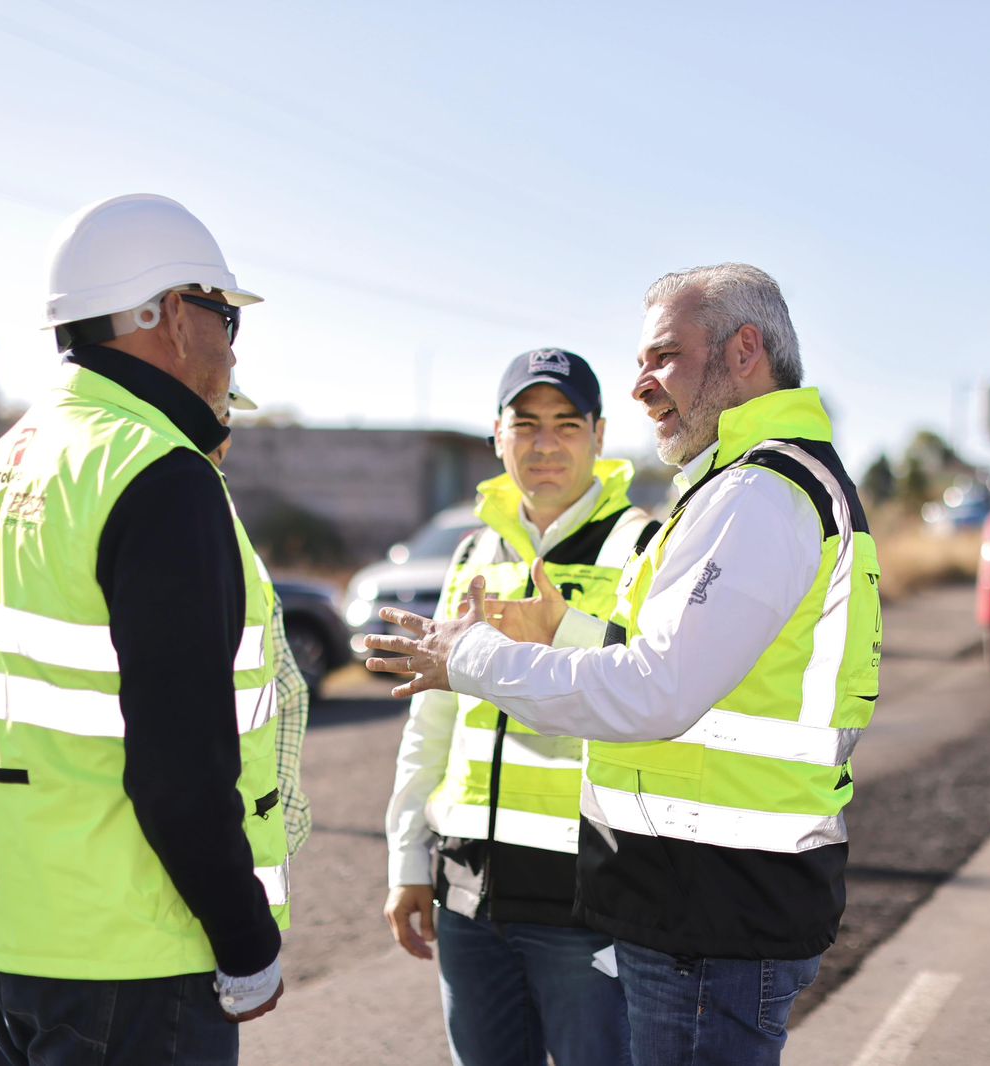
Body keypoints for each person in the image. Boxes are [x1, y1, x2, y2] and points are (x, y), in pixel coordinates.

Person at [367, 264, 883, 1066]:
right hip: (685, 904)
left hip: (711, 910)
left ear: (746, 349)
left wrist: (472, 657)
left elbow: (657, 691)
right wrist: (568, 629)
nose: (642, 386)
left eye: (662, 357)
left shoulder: (759, 494)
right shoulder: (733, 490)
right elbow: (669, 666)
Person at [0, 193, 287, 1066]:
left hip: (2, 928)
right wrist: (246, 942)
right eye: (224, 317)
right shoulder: (160, 475)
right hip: (129, 949)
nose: (232, 347)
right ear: (167, 315)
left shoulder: (2, 464)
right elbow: (179, 764)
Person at [384, 348, 650, 1066]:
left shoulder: (643, 547)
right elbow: (430, 719)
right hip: (468, 894)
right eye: (525, 423)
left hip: (586, 901)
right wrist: (408, 857)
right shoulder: (473, 553)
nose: (544, 444)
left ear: (599, 434)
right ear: (496, 435)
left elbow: (657, 695)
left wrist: (569, 632)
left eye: (566, 424)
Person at [214, 380, 312, 859]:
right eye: (215, 409)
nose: (222, 431)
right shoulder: (180, 511)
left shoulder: (223, 517)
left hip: (251, 832)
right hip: (222, 845)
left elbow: (283, 687)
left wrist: (283, 815)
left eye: (225, 414)